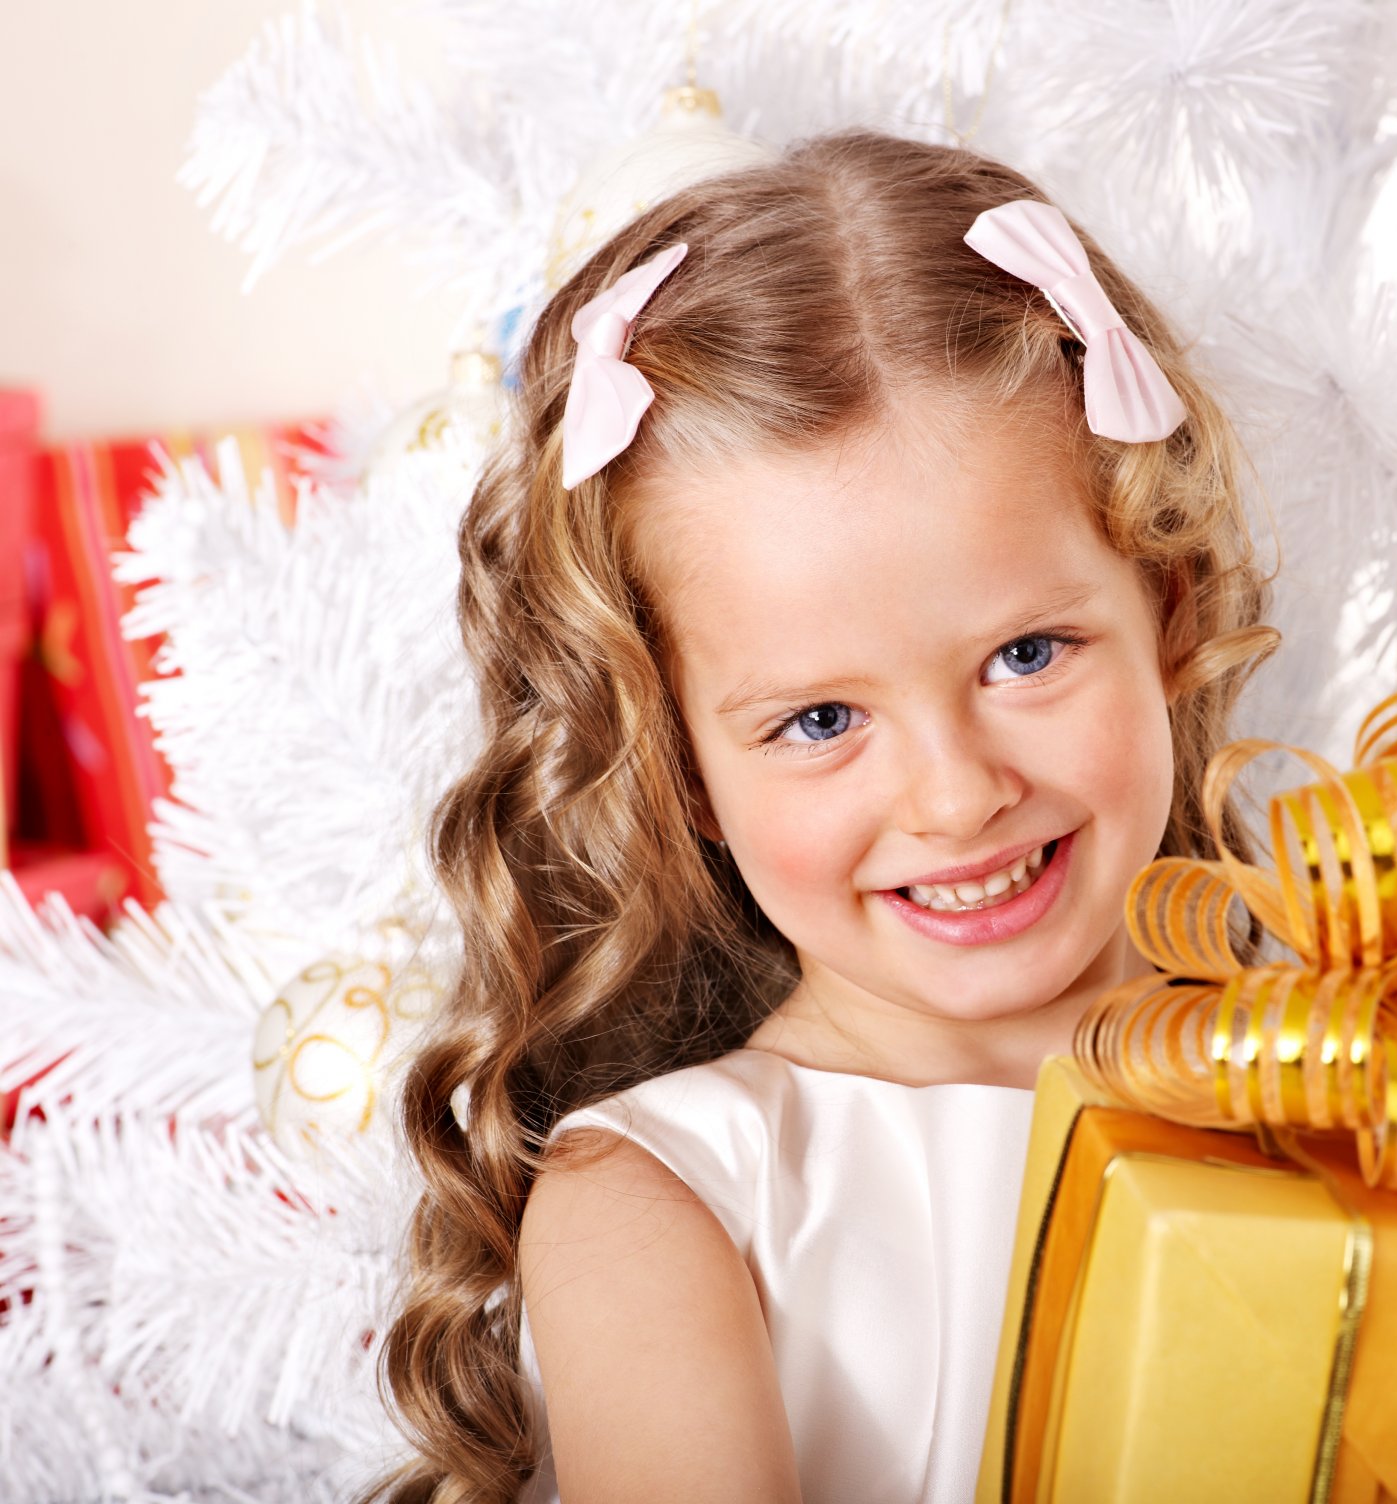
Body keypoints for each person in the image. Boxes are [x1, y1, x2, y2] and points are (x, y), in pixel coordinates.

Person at [364, 128, 1280, 1504]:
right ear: (683, 778)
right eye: (819, 722)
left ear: (1171, 612)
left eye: (1026, 656)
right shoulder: (666, 1210)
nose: (958, 794)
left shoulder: (1362, 1089)